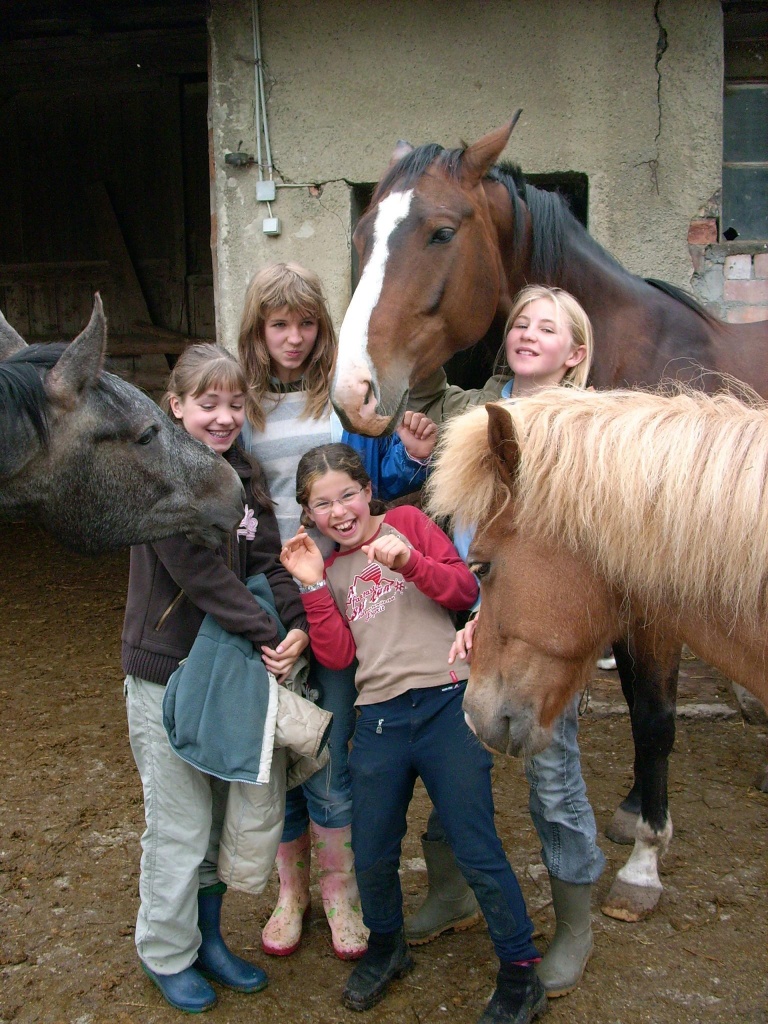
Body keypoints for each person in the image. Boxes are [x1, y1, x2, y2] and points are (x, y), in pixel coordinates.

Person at [280, 443, 547, 1024]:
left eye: (347, 494)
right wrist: (311, 588)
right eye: (322, 504)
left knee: (475, 842)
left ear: (367, 490)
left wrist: (408, 563)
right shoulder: (328, 569)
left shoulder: (407, 523)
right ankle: (386, 947)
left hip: (445, 703)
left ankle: (521, 969)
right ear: (309, 515)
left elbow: (464, 592)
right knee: (372, 849)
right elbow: (338, 656)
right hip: (378, 718)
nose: (340, 511)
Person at [237, 262, 437, 961]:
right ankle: (289, 893)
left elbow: (371, 484)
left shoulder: (345, 401)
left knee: (328, 745)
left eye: (306, 324)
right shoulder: (243, 406)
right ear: (258, 332)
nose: (294, 338)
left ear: (323, 330)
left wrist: (410, 457)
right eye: (279, 324)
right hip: (268, 601)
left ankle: (338, 891)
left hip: (342, 598)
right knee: (275, 750)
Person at [412, 285, 605, 999]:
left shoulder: (589, 430)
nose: (527, 332)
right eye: (520, 321)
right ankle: (450, 890)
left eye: (547, 327)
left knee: (554, 779)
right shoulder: (475, 408)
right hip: (458, 608)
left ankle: (575, 926)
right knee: (453, 756)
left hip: (531, 629)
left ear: (575, 353)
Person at [121, 343, 311, 1013]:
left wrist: (295, 627)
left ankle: (206, 939)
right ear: (176, 406)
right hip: (166, 674)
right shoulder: (158, 477)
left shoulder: (243, 472)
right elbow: (197, 573)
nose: (224, 416)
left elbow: (271, 562)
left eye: (235, 404)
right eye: (208, 404)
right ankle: (164, 952)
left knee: (212, 823)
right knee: (177, 824)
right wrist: (265, 633)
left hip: (225, 674)